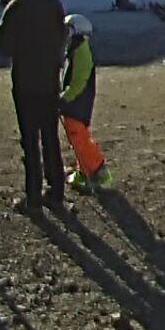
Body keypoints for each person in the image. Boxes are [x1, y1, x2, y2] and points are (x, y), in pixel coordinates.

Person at [0, 0, 67, 213]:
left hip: (25, 81)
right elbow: (63, 37)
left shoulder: (16, 8)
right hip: (49, 81)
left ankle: (33, 195)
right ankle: (56, 190)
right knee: (50, 137)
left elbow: (2, 45)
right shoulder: (54, 5)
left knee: (30, 140)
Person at [58, 13, 112, 194]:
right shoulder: (75, 50)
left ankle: (97, 171)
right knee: (77, 139)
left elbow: (79, 80)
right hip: (75, 103)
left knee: (79, 138)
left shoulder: (81, 51)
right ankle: (84, 170)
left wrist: (65, 97)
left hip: (77, 103)